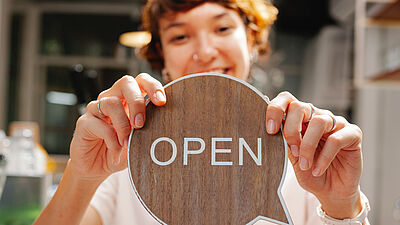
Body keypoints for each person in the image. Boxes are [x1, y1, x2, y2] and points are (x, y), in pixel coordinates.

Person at [34, 0, 370, 224]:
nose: (205, 52)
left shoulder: (305, 152)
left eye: (223, 29)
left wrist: (343, 204)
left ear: (253, 42)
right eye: (180, 36)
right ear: (160, 58)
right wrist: (82, 174)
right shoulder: (126, 154)